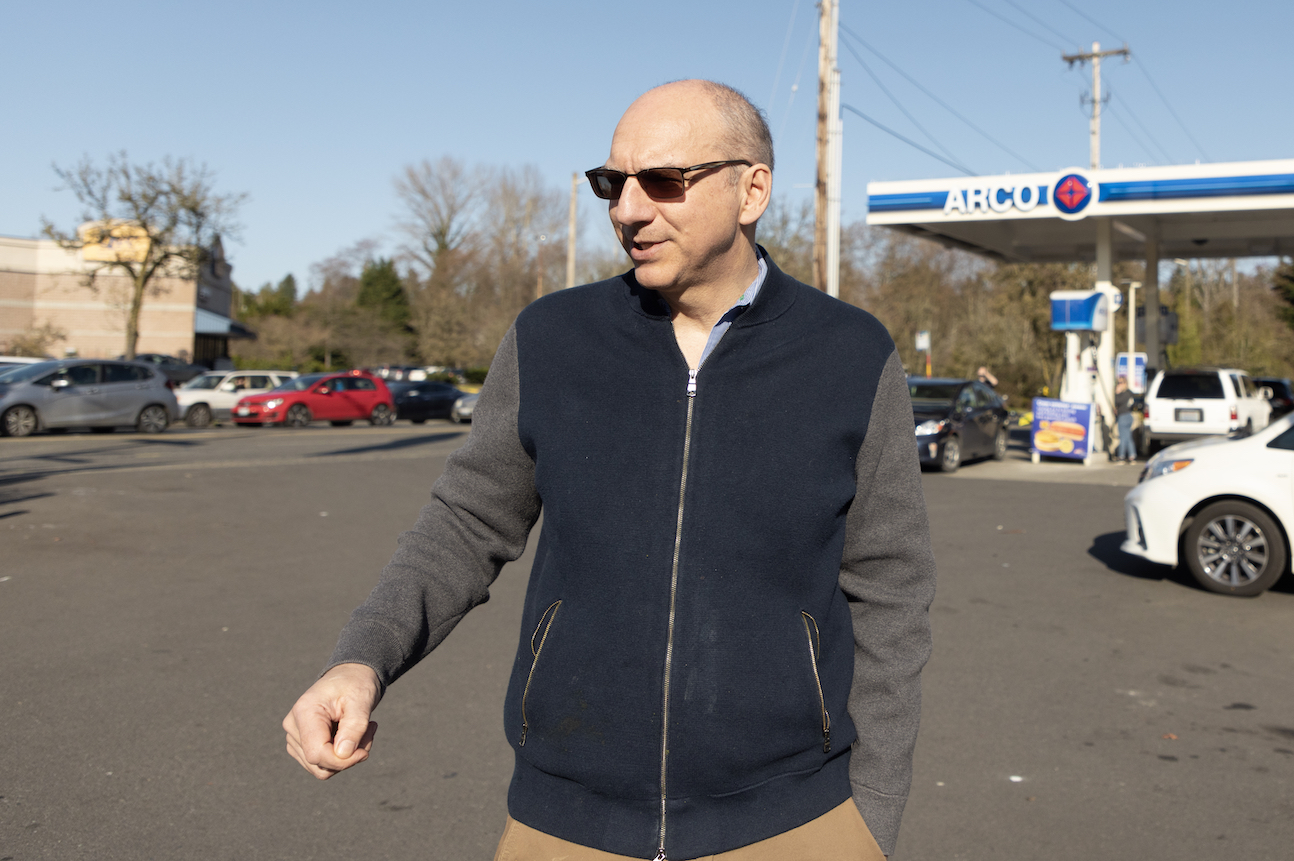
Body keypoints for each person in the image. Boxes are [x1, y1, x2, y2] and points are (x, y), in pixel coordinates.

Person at [282, 79, 936, 861]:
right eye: (611, 183)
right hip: (566, 825)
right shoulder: (551, 340)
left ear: (751, 189)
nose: (628, 209)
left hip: (795, 822)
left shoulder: (851, 355)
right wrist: (362, 658)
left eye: (664, 182)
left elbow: (891, 588)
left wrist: (875, 813)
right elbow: (463, 523)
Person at [1114, 376, 1136, 464]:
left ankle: (1121, 457)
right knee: (1128, 437)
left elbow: (1118, 401)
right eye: (1118, 382)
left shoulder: (1125, 394)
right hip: (1129, 416)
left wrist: (1117, 393)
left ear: (1125, 383)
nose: (1120, 384)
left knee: (1123, 437)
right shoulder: (1130, 393)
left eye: (1121, 382)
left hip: (1124, 416)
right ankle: (1132, 456)